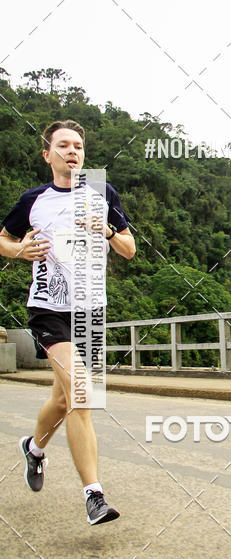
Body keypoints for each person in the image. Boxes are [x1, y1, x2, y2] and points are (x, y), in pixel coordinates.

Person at [0, 120, 135, 525]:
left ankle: (34, 449)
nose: (72, 151)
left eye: (78, 145)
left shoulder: (101, 192)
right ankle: (94, 495)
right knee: (80, 394)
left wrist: (109, 230)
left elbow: (129, 250)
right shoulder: (32, 200)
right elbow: (1, 239)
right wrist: (19, 250)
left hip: (90, 311)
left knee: (63, 399)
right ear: (47, 154)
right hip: (48, 309)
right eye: (63, 145)